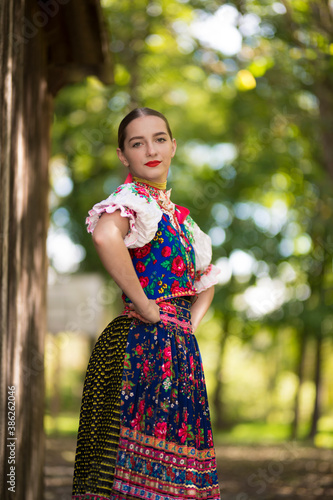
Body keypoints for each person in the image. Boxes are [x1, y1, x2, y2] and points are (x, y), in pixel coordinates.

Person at [72, 107, 221, 500]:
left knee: (178, 474)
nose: (150, 149)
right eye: (137, 143)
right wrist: (146, 304)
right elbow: (105, 237)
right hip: (142, 344)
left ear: (173, 146)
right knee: (133, 472)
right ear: (124, 155)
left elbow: (206, 279)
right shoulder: (132, 199)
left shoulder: (183, 221)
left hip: (180, 350)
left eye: (159, 139)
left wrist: (190, 326)